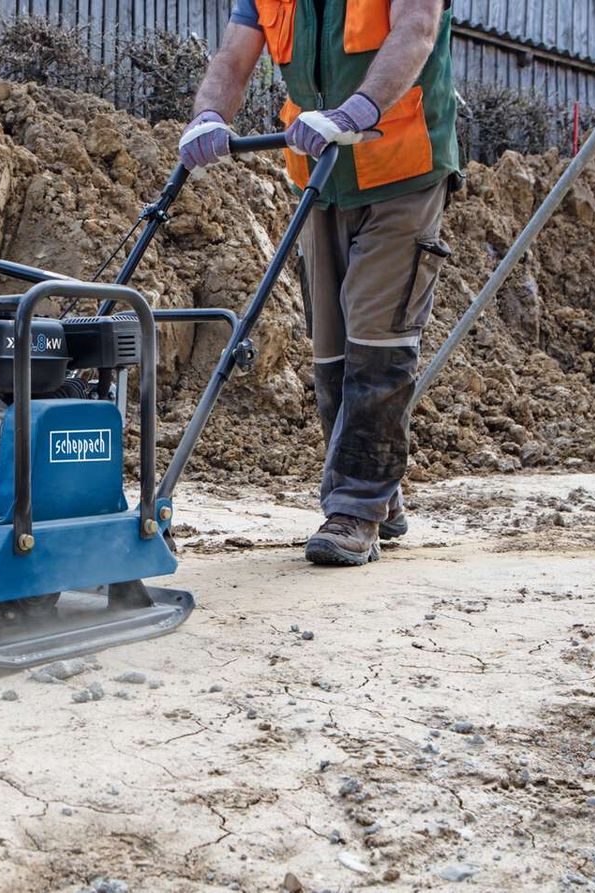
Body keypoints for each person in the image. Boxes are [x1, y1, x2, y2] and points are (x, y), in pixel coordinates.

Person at [179, 0, 460, 566]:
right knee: (332, 350)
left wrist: (357, 111)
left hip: (403, 171)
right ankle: (379, 490)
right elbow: (234, 58)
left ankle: (356, 508)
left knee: (378, 340)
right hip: (322, 178)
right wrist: (208, 115)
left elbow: (416, 30)